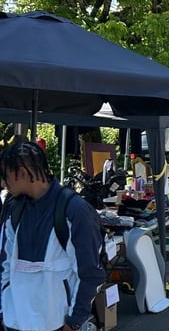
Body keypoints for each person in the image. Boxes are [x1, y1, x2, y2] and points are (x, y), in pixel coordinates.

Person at [0, 141, 104, 331]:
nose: (3, 182)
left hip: (55, 322)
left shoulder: (75, 210)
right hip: (13, 321)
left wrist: (73, 322)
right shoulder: (14, 208)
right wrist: (4, 309)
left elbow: (90, 273)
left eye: (6, 175)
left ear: (22, 173)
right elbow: (5, 265)